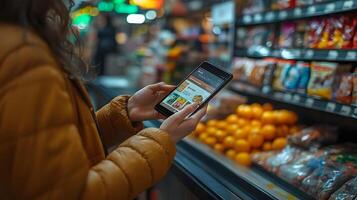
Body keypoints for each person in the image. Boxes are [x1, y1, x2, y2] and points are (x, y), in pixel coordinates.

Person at [0, 0, 207, 199]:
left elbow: (44, 151)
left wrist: (124, 114)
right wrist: (161, 140)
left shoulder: (13, 42)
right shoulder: (25, 56)